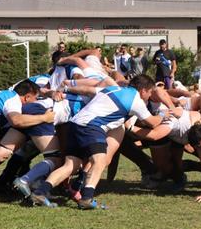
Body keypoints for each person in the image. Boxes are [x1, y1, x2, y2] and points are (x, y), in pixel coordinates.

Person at [29, 75, 165, 209]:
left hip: (74, 124)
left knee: (71, 165)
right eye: (150, 93)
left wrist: (66, 89)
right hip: (91, 127)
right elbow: (152, 122)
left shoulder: (112, 89)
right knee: (100, 160)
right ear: (143, 91)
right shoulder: (136, 100)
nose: (149, 97)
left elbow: (87, 90)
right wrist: (164, 114)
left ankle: (40, 192)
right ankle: (87, 198)